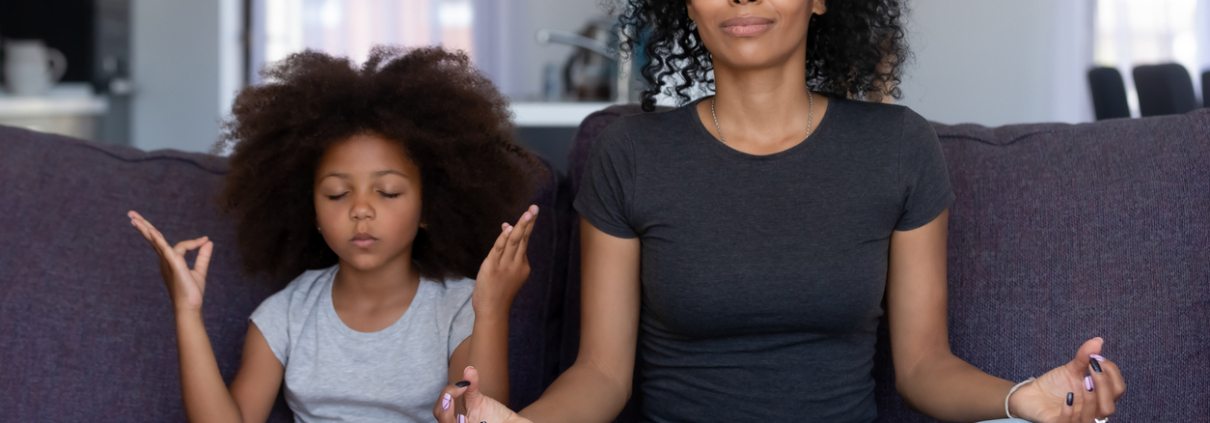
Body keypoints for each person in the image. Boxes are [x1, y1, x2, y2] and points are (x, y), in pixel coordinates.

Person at [435, 1, 1126, 423]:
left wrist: (1024, 399)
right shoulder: (631, 152)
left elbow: (923, 366)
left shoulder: (899, 146)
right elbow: (601, 375)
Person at [128, 46, 542, 423]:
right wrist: (187, 311)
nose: (360, 209)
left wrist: (491, 309)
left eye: (388, 191)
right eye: (337, 193)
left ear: (428, 210)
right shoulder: (287, 314)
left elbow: (481, 416)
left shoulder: (458, 306)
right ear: (309, 209)